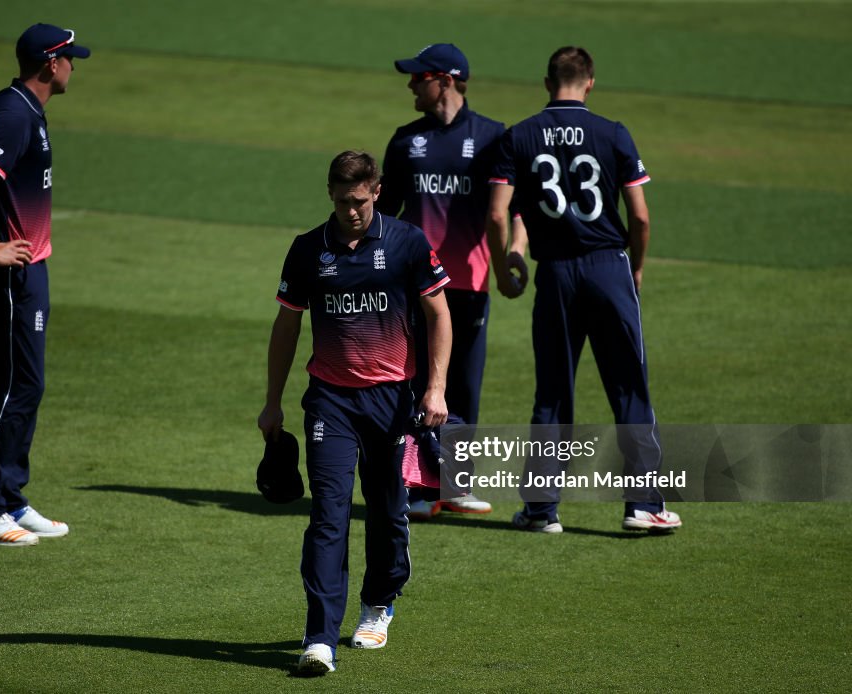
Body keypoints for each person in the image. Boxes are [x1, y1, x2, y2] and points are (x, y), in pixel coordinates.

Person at [258, 151, 452, 675]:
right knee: (328, 515)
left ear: (378, 192)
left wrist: (434, 389)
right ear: (330, 194)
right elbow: (287, 326)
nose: (351, 211)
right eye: (343, 201)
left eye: (360, 201)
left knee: (389, 510)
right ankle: (319, 637)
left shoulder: (407, 243)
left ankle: (378, 603)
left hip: (393, 401)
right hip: (331, 401)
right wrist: (273, 401)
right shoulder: (307, 251)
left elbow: (439, 312)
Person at [486, 46, 681, 534]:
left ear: (546, 80)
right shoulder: (612, 133)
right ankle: (642, 506)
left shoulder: (520, 136)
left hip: (554, 274)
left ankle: (540, 510)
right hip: (607, 267)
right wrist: (634, 268)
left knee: (552, 393)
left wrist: (504, 266)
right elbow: (639, 215)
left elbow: (498, 212)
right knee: (629, 389)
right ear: (589, 82)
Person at [378, 43, 528, 519]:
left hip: (470, 283)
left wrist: (515, 254)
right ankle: (421, 490)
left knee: (463, 385)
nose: (410, 85)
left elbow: (516, 209)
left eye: (417, 77)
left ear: (444, 79)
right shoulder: (405, 141)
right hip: (416, 287)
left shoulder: (491, 138)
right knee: (417, 382)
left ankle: (456, 485)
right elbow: (384, 216)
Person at [0, 24, 90, 546]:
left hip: (29, 268)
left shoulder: (27, 110)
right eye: (70, 59)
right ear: (50, 64)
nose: (73, 67)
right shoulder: (14, 114)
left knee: (26, 385)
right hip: (11, 272)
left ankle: (10, 498)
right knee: (16, 386)